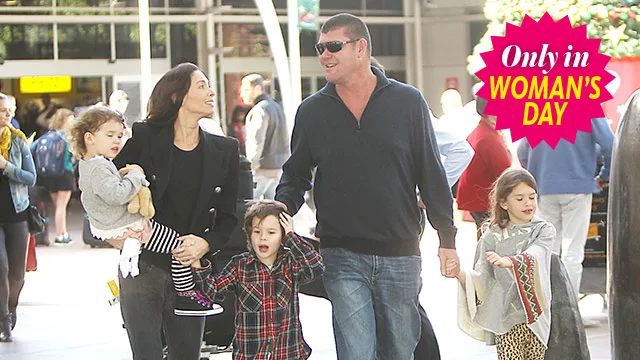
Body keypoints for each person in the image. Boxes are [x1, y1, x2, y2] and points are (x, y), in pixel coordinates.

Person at [275, 13, 459, 359]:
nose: (324, 55)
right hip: (340, 254)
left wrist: (446, 239)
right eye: (320, 48)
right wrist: (279, 210)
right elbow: (296, 174)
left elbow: (430, 173)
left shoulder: (407, 102)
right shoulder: (312, 111)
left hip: (401, 253)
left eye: (334, 47)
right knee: (357, 353)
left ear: (361, 48)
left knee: (400, 352)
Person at [113, 62, 240, 360]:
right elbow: (110, 187)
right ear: (176, 96)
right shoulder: (144, 138)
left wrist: (207, 243)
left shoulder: (226, 150)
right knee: (146, 355)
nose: (210, 92)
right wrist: (114, 234)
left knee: (187, 355)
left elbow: (231, 214)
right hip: (144, 266)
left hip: (193, 271)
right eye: (201, 85)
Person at [69, 105, 222, 317]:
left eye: (120, 136)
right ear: (89, 138)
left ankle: (187, 293)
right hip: (127, 225)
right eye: (110, 135)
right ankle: (187, 295)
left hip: (118, 225)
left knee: (173, 246)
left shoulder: (92, 164)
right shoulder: (97, 168)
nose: (117, 141)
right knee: (179, 246)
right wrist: (136, 176)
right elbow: (117, 194)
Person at [191, 200, 325, 359]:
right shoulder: (239, 265)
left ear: (282, 236)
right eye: (257, 231)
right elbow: (211, 291)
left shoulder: (291, 264)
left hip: (288, 354)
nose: (263, 238)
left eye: (271, 232)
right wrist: (197, 263)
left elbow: (315, 266)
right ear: (249, 234)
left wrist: (291, 236)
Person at [453, 168, 553, 360]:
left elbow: (537, 253)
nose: (528, 203)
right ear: (503, 202)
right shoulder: (492, 235)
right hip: (505, 317)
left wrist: (510, 262)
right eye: (520, 198)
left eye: (532, 197)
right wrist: (460, 274)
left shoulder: (543, 230)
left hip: (536, 316)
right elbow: (482, 276)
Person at [517, 117, 614, 297]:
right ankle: (569, 312)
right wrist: (604, 176)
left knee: (549, 250)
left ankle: (548, 309)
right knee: (573, 253)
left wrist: (536, 176)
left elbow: (523, 150)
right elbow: (609, 144)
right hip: (578, 187)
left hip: (545, 188)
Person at [0, 92, 37, 342]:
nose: (8, 115)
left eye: (10, 110)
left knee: (17, 274)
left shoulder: (18, 142)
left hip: (16, 213)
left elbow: (31, 178)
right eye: (3, 110)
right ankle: (3, 320)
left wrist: (6, 167)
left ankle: (12, 310)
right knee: (0, 267)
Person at [456, 96, 512, 240]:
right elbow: (504, 171)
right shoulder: (488, 137)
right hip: (485, 198)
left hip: (478, 196)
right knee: (492, 241)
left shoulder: (481, 131)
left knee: (486, 238)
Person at [240, 74, 290, 200]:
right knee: (274, 211)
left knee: (248, 208)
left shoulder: (260, 110)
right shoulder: (277, 107)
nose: (242, 95)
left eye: (246, 90)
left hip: (262, 169)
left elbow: (257, 139)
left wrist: (252, 162)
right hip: (278, 168)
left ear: (257, 88)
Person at [31, 108, 76, 244]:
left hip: (49, 175)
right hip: (64, 173)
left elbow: (31, 149)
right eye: (71, 119)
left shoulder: (46, 137)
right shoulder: (67, 137)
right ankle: (60, 235)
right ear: (64, 121)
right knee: (62, 206)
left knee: (58, 205)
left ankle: (63, 232)